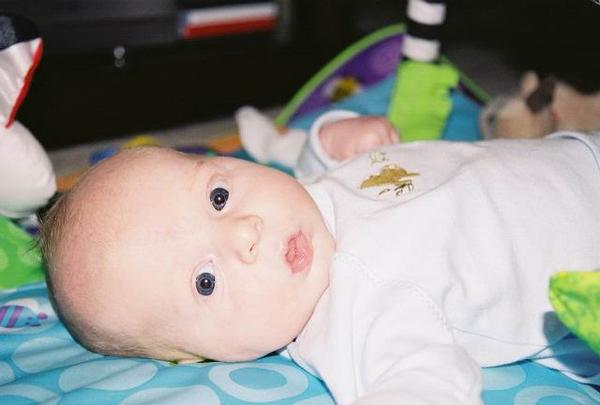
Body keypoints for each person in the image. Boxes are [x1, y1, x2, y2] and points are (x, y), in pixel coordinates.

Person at [39, 110, 600, 404]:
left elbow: (309, 173)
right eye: (205, 281)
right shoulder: (354, 315)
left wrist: (331, 137)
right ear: (198, 357)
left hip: (576, 152)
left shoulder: (301, 202)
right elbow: (425, 379)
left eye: (218, 197)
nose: (243, 232)